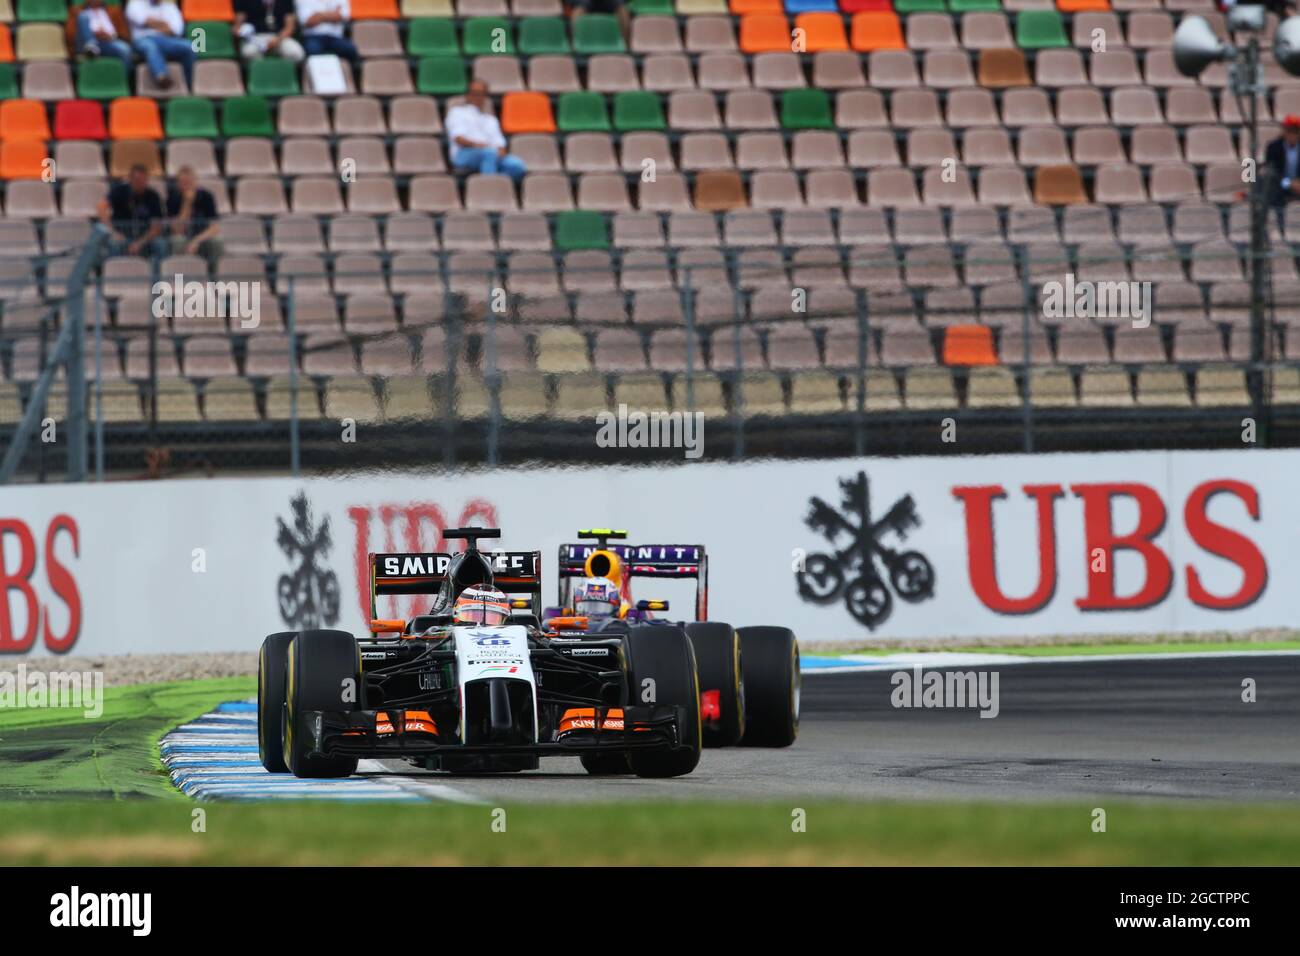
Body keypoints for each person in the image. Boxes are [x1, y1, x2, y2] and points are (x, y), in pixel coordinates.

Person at [444, 81, 527, 183]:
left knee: (517, 165)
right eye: (474, 93)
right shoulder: (457, 112)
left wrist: (499, 152)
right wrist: (478, 145)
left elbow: (500, 146)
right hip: (463, 154)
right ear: (467, 95)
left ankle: (496, 182)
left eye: (481, 94)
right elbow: (458, 139)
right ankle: (489, 186)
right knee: (489, 153)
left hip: (491, 154)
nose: (477, 97)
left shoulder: (491, 119)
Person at [99, 165, 166, 259]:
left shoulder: (153, 196)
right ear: (130, 179)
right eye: (137, 180)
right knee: (114, 244)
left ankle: (159, 269)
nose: (140, 183)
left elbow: (156, 226)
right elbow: (101, 207)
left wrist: (140, 243)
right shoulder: (119, 191)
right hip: (122, 236)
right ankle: (116, 268)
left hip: (145, 238)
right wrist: (113, 232)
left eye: (143, 180)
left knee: (161, 244)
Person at [124, 0, 194, 89]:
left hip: (166, 40)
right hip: (142, 39)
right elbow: (141, 20)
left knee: (189, 47)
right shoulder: (135, 2)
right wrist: (163, 25)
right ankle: (161, 76)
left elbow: (177, 30)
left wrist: (151, 23)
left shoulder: (169, 5)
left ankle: (188, 85)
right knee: (150, 47)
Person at [166, 167, 222, 260]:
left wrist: (196, 240)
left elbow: (215, 228)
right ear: (178, 184)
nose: (187, 186)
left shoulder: (207, 196)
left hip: (203, 235)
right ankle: (180, 270)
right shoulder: (173, 198)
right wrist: (187, 203)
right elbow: (178, 230)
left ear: (195, 181)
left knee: (217, 241)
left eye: (189, 182)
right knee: (177, 240)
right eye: (183, 183)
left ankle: (214, 269)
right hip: (184, 234)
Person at [70, 0, 134, 73]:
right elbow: (71, 35)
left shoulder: (114, 10)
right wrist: (93, 34)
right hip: (86, 43)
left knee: (125, 49)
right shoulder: (77, 11)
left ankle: (123, 78)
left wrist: (110, 36)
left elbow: (124, 33)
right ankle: (91, 48)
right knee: (83, 16)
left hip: (108, 42)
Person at [294, 0, 360, 69]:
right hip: (313, 36)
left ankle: (354, 74)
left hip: (336, 37)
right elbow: (307, 21)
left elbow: (344, 16)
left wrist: (319, 15)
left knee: (350, 49)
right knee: (312, 49)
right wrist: (332, 14)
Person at [234, 0, 304, 62]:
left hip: (280, 37)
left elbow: (290, 27)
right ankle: (261, 71)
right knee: (249, 53)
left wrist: (277, 39)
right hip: (255, 37)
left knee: (295, 53)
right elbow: (238, 26)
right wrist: (242, 33)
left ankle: (282, 70)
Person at [1266, 115, 1300, 232]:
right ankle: (1280, 229)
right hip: (1280, 185)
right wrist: (1289, 183)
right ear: (1284, 131)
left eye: (1295, 131)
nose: (1292, 134)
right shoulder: (1273, 147)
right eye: (1289, 130)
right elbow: (1272, 173)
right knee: (1272, 190)